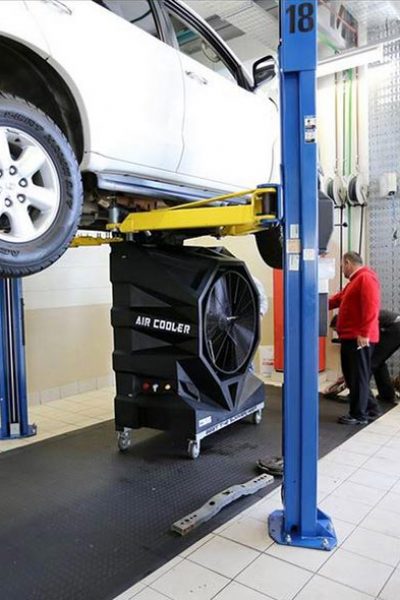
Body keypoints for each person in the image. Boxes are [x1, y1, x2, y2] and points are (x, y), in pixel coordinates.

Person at [329, 251, 381, 425]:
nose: (342, 269)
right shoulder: (354, 282)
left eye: (342, 265)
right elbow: (337, 300)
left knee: (356, 377)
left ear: (348, 262)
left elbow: (371, 306)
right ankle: (371, 409)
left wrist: (364, 333)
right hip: (351, 337)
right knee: (354, 376)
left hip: (359, 338)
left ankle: (359, 415)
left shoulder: (366, 278)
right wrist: (315, 300)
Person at [324, 310, 400, 405]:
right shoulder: (355, 322)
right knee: (377, 363)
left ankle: (356, 396)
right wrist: (344, 379)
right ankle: (387, 395)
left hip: (394, 327)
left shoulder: (357, 324)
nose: (339, 334)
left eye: (337, 330)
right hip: (392, 327)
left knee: (369, 363)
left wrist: (347, 379)